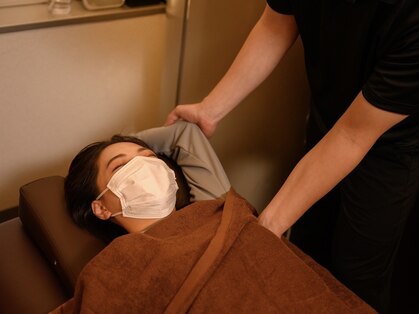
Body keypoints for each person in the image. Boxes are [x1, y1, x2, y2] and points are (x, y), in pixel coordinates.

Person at [164, 2, 419, 313]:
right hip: (329, 119)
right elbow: (277, 24)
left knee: (356, 272)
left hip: (391, 147)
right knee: (306, 252)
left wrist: (265, 228)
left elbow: (353, 135)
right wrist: (209, 110)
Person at [64, 121, 231, 242]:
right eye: (121, 165)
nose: (144, 167)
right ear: (101, 208)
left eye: (149, 157)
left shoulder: (216, 210)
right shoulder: (115, 266)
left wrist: (121, 140)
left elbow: (185, 133)